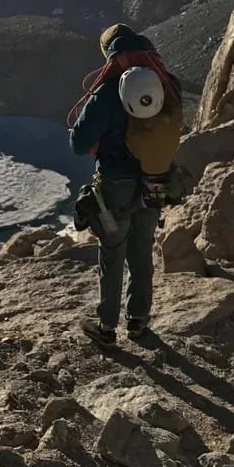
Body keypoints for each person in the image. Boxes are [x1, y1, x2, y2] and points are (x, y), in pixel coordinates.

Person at [67, 24, 183, 347]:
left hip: (114, 185)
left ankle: (106, 327)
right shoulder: (165, 83)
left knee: (113, 252)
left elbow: (78, 142)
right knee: (142, 251)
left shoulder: (106, 93)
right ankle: (139, 322)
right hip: (154, 181)